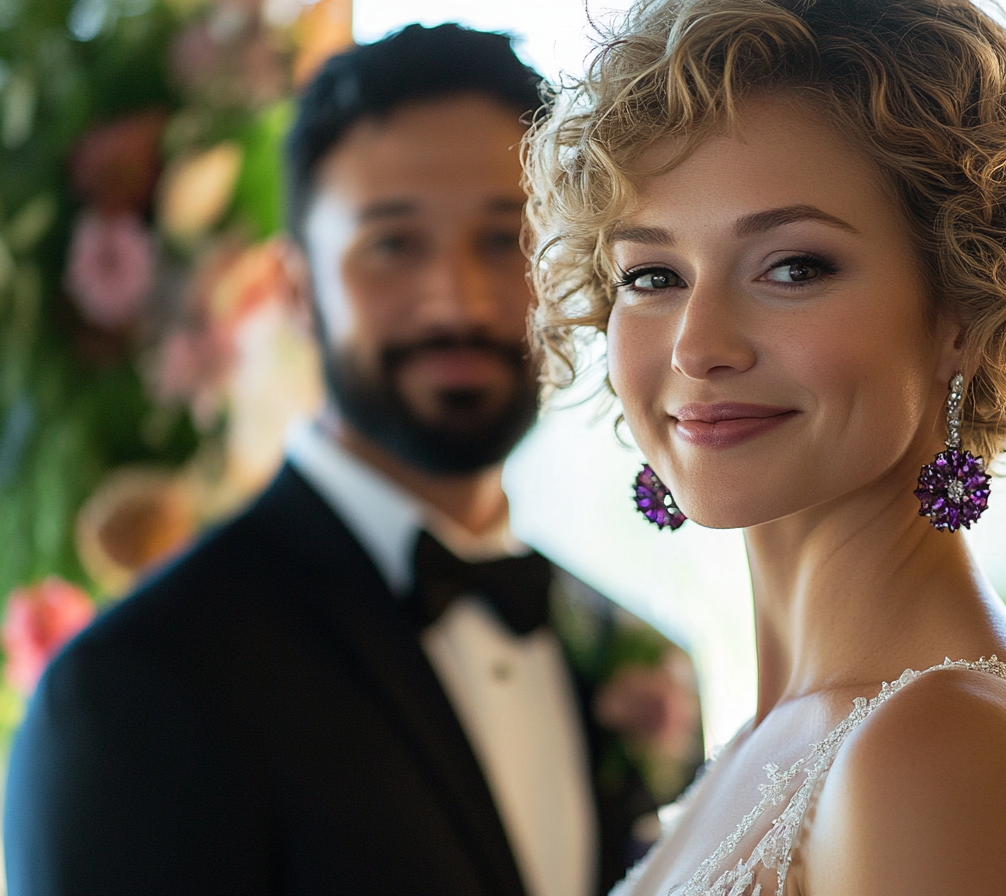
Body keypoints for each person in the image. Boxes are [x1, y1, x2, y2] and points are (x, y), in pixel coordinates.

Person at [5, 23, 701, 896]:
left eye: (503, 239)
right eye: (393, 245)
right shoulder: (133, 690)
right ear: (296, 290)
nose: (459, 296)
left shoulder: (640, 659)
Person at [524, 0, 1006, 893]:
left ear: (963, 309)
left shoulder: (942, 741)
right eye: (653, 275)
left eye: (793, 267)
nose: (698, 346)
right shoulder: (781, 731)